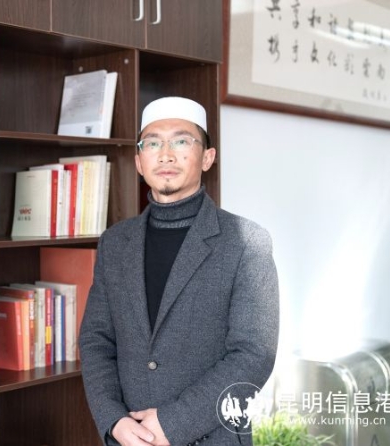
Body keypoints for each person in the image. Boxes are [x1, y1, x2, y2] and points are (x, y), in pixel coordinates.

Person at [79, 97, 279, 446]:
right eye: (153, 143)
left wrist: (172, 424)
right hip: (129, 438)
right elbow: (97, 340)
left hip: (212, 437)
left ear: (208, 157)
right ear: (139, 161)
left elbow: (253, 356)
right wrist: (114, 420)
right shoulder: (115, 243)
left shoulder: (246, 242)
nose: (166, 155)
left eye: (182, 141)